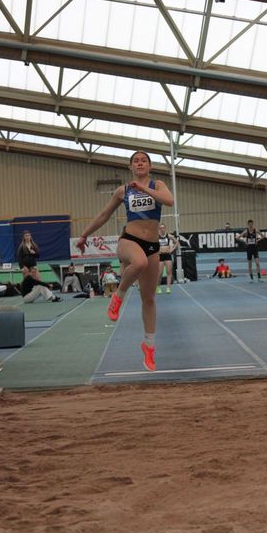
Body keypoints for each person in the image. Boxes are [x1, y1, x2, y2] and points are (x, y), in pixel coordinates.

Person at [76, 150, 174, 372]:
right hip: (129, 239)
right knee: (139, 263)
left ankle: (149, 346)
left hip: (152, 246)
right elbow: (104, 215)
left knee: (149, 299)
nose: (140, 163)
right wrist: (84, 235)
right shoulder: (123, 190)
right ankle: (118, 296)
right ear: (130, 167)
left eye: (144, 160)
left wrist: (144, 189)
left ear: (149, 166)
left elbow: (169, 201)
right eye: (135, 161)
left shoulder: (157, 185)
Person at [157, 222, 178, 294]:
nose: (162, 229)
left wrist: (172, 249)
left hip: (167, 255)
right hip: (160, 256)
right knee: (160, 273)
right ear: (159, 229)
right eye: (160, 228)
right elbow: (151, 245)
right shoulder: (156, 236)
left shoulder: (168, 236)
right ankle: (158, 287)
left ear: (165, 228)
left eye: (163, 228)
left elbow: (177, 242)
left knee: (169, 272)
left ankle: (168, 288)